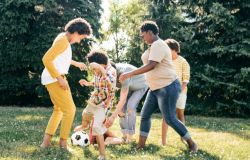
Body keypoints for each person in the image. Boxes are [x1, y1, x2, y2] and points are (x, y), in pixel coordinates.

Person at [119, 20, 198, 152]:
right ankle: (140, 146)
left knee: (170, 118)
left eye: (143, 35)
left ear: (150, 32)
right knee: (145, 115)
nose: (142, 38)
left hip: (168, 86)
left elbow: (151, 65)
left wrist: (129, 74)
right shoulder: (152, 46)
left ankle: (192, 143)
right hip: (155, 88)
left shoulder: (159, 45)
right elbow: (149, 66)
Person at [40, 18, 92, 150]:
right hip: (55, 78)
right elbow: (46, 58)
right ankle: (63, 143)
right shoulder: (63, 41)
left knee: (58, 110)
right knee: (70, 110)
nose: (80, 41)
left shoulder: (62, 38)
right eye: (81, 37)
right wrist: (59, 78)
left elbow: (60, 57)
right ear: (76, 32)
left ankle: (46, 142)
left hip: (53, 78)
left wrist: (76, 63)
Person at [74, 50, 116, 160]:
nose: (93, 71)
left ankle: (102, 155)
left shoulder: (111, 71)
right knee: (85, 114)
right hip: (94, 101)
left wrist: (101, 69)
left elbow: (109, 82)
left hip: (103, 105)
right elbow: (97, 83)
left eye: (94, 68)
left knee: (97, 127)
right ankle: (85, 126)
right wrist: (87, 83)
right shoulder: (97, 72)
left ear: (102, 65)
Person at [105, 63, 148, 143]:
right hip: (130, 87)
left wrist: (112, 117)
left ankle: (130, 136)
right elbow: (110, 94)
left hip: (141, 86)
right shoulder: (109, 75)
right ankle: (124, 135)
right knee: (121, 110)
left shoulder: (123, 74)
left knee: (130, 106)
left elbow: (123, 99)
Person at [161, 39, 190, 145]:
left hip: (181, 92)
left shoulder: (183, 61)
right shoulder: (165, 61)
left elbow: (186, 79)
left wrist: (178, 91)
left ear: (173, 49)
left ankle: (184, 138)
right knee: (166, 116)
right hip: (168, 92)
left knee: (180, 114)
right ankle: (163, 142)